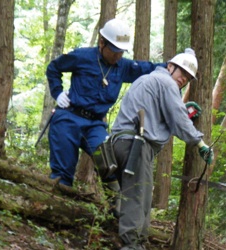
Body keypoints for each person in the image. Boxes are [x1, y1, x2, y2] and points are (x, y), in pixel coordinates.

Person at [110, 48, 214, 250]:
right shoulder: (166, 83)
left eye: (188, 77)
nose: (183, 79)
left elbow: (165, 114)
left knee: (141, 198)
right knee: (138, 199)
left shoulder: (147, 81)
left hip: (122, 143)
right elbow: (177, 118)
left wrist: (182, 113)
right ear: (170, 66)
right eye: (182, 72)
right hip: (135, 144)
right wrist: (200, 144)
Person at [45, 18, 166, 193]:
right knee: (63, 173)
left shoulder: (124, 67)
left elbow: (149, 69)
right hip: (68, 119)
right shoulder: (82, 57)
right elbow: (53, 68)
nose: (118, 56)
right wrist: (57, 92)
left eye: (121, 52)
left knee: (110, 164)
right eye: (114, 51)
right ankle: (55, 210)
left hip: (95, 125)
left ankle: (115, 209)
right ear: (102, 43)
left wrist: (174, 66)